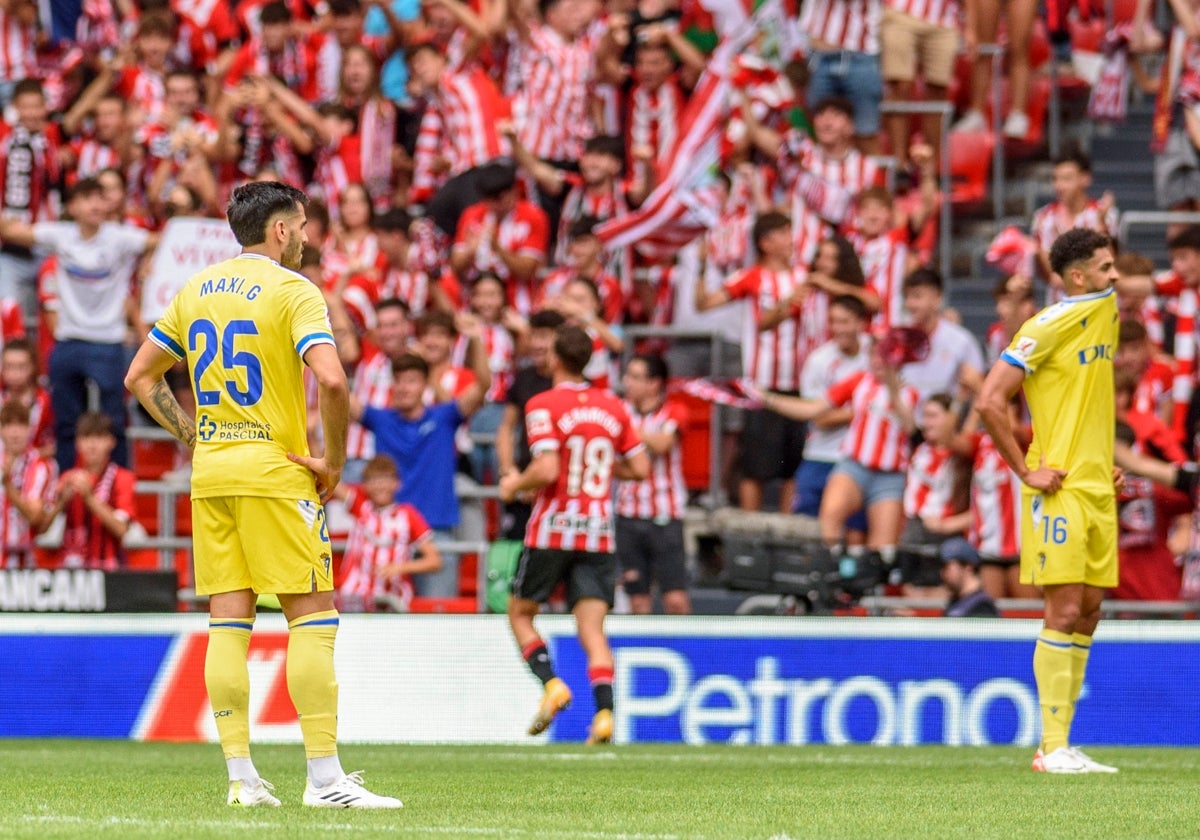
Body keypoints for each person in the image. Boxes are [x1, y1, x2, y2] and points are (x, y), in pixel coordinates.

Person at [125, 181, 402, 808]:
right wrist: (332, 462)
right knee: (313, 618)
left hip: (214, 474)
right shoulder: (294, 290)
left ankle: (241, 779)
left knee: (229, 625)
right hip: (275, 474)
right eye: (301, 225)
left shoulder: (195, 290)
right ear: (280, 230)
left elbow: (140, 376)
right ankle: (326, 780)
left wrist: (194, 435)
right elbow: (331, 380)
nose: (306, 237)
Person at [977, 227, 1121, 775]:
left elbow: (1084, 403)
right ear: (1079, 277)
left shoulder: (1105, 313)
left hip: (1096, 486)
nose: (1116, 276)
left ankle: (1063, 743)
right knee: (1061, 610)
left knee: (1088, 611)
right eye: (1106, 267)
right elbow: (990, 400)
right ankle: (1050, 746)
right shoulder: (1047, 325)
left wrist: (1100, 463)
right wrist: (1025, 470)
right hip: (1057, 490)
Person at [498, 325, 649, 745]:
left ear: (555, 359)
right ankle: (604, 714)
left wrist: (514, 485)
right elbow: (640, 468)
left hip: (553, 527)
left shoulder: (543, 403)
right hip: (598, 530)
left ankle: (551, 684)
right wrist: (598, 469)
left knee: (520, 612)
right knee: (592, 629)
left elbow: (546, 469)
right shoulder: (613, 406)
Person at [0, 176, 159, 474]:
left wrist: (150, 259)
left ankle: (117, 484)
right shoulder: (60, 235)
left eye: (100, 197)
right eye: (87, 198)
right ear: (71, 206)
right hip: (69, 340)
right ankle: (65, 483)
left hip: (107, 342)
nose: (95, 205)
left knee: (113, 421)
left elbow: (162, 240)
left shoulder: (120, 237)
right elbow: (10, 231)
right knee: (66, 422)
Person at [351, 331, 491, 599]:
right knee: (384, 624)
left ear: (426, 385)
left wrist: (475, 338)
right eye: (399, 381)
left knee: (436, 625)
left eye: (412, 381)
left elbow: (483, 384)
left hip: (436, 535)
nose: (404, 388)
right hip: (388, 538)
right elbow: (337, 395)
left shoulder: (445, 416)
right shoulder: (379, 419)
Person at [615, 353, 692, 615]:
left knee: (675, 600)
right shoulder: (620, 410)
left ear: (654, 383)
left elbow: (662, 443)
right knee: (637, 602)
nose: (627, 382)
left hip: (665, 517)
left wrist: (622, 429)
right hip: (627, 516)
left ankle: (687, 650)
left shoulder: (675, 411)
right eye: (627, 376)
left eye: (635, 377)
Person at [333, 454, 442, 613]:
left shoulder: (408, 515)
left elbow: (434, 561)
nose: (380, 485)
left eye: (385, 479)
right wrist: (313, 438)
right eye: (374, 480)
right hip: (356, 598)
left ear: (397, 483)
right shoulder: (361, 508)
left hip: (392, 599)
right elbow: (331, 480)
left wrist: (399, 568)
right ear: (365, 485)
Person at [43, 412, 135, 570]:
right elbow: (43, 528)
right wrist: (61, 502)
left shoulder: (123, 478)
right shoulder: (67, 478)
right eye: (86, 437)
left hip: (110, 569)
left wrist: (89, 498)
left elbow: (121, 529)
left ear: (111, 441)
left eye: (99, 438)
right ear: (77, 442)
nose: (92, 445)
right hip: (71, 572)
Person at [0, 399, 54, 569]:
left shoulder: (42, 466)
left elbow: (35, 516)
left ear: (30, 429)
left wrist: (7, 484)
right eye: (8, 425)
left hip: (26, 564)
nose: (15, 433)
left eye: (20, 425)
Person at [939, 537, 1000, 617]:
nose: (942, 573)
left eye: (946, 567)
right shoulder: (955, 603)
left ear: (968, 566)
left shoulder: (983, 608)